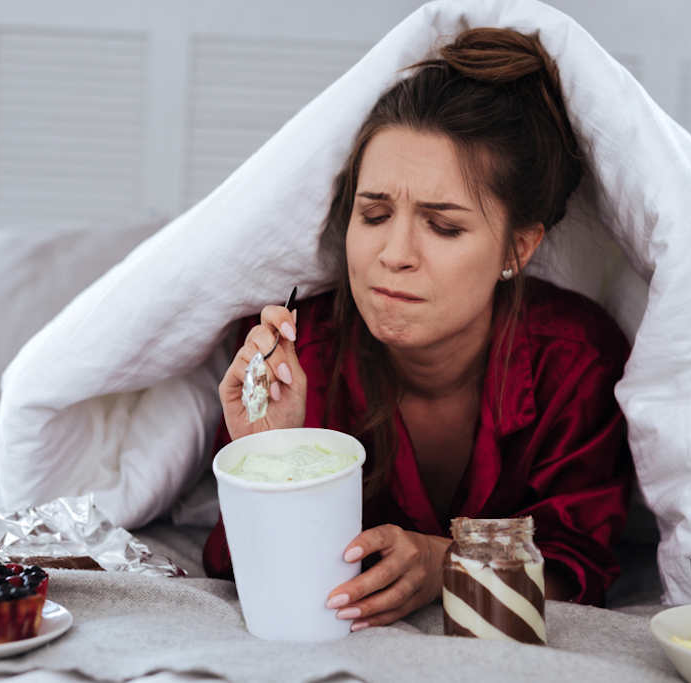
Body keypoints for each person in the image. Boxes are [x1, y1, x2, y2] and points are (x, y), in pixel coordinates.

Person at [204, 27, 633, 631]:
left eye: (444, 227)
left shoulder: (577, 361)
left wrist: (449, 564)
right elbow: (230, 566)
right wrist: (267, 452)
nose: (393, 254)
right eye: (373, 214)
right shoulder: (298, 360)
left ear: (519, 247)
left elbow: (578, 568)